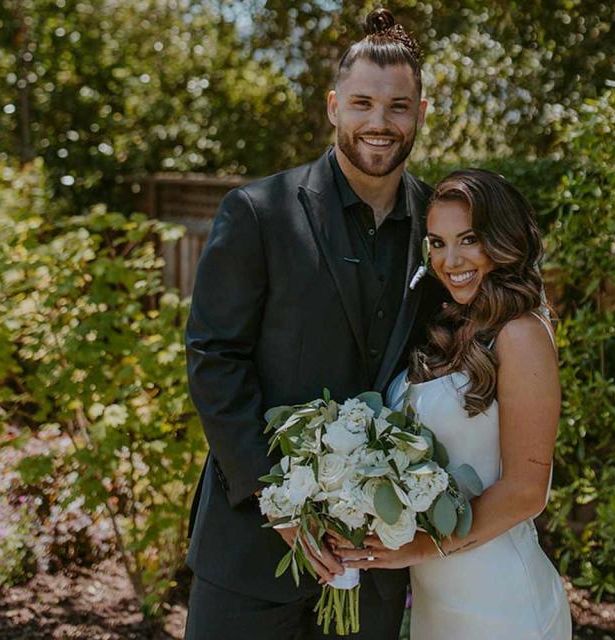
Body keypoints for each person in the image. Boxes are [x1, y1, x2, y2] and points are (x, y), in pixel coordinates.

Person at [182, 9, 448, 639]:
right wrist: (278, 503)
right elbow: (214, 357)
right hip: (251, 549)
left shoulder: (442, 230)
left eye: (399, 107)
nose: (379, 123)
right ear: (333, 107)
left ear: (421, 112)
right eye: (362, 103)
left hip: (373, 562)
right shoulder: (258, 212)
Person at [333, 169, 573, 639]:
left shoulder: (520, 333)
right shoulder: (453, 327)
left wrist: (422, 547)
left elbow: (528, 491)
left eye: (469, 239)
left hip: (501, 601)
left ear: (502, 241)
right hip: (438, 600)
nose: (451, 259)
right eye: (437, 243)